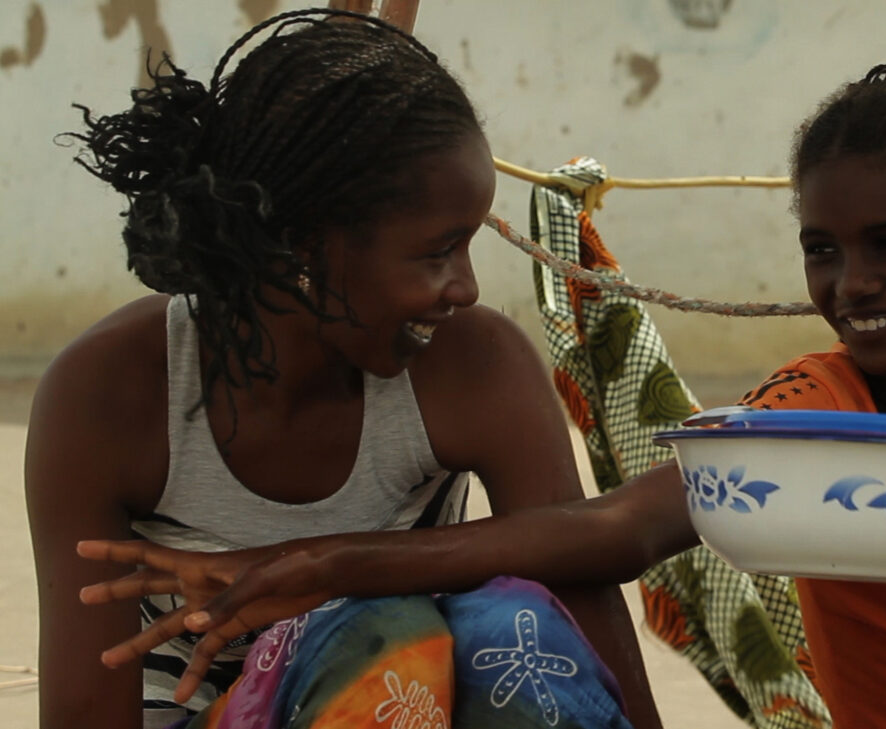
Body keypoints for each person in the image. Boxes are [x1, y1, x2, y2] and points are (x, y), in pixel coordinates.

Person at [75, 65, 886, 727]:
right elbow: (610, 531)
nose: (852, 284)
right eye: (822, 249)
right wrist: (324, 563)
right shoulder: (813, 409)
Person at [28, 9, 662, 729]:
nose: (466, 288)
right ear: (303, 246)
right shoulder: (110, 393)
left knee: (511, 628)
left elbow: (579, 581)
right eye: (438, 252)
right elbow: (85, 711)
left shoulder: (474, 364)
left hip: (410, 710)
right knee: (381, 637)